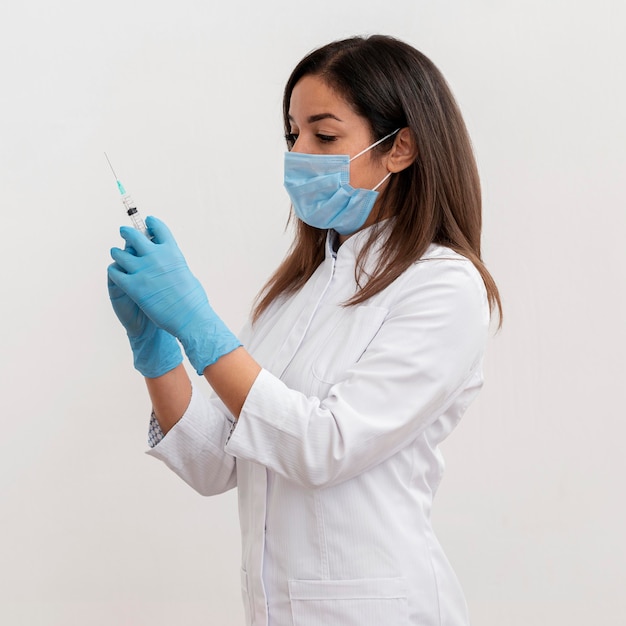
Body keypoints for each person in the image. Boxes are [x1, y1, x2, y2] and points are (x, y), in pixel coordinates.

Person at [107, 34, 501, 626]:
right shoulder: (297, 290)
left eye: (325, 135)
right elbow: (217, 463)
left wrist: (199, 324)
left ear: (402, 149)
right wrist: (158, 348)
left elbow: (325, 447)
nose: (300, 153)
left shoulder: (443, 287)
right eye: (292, 135)